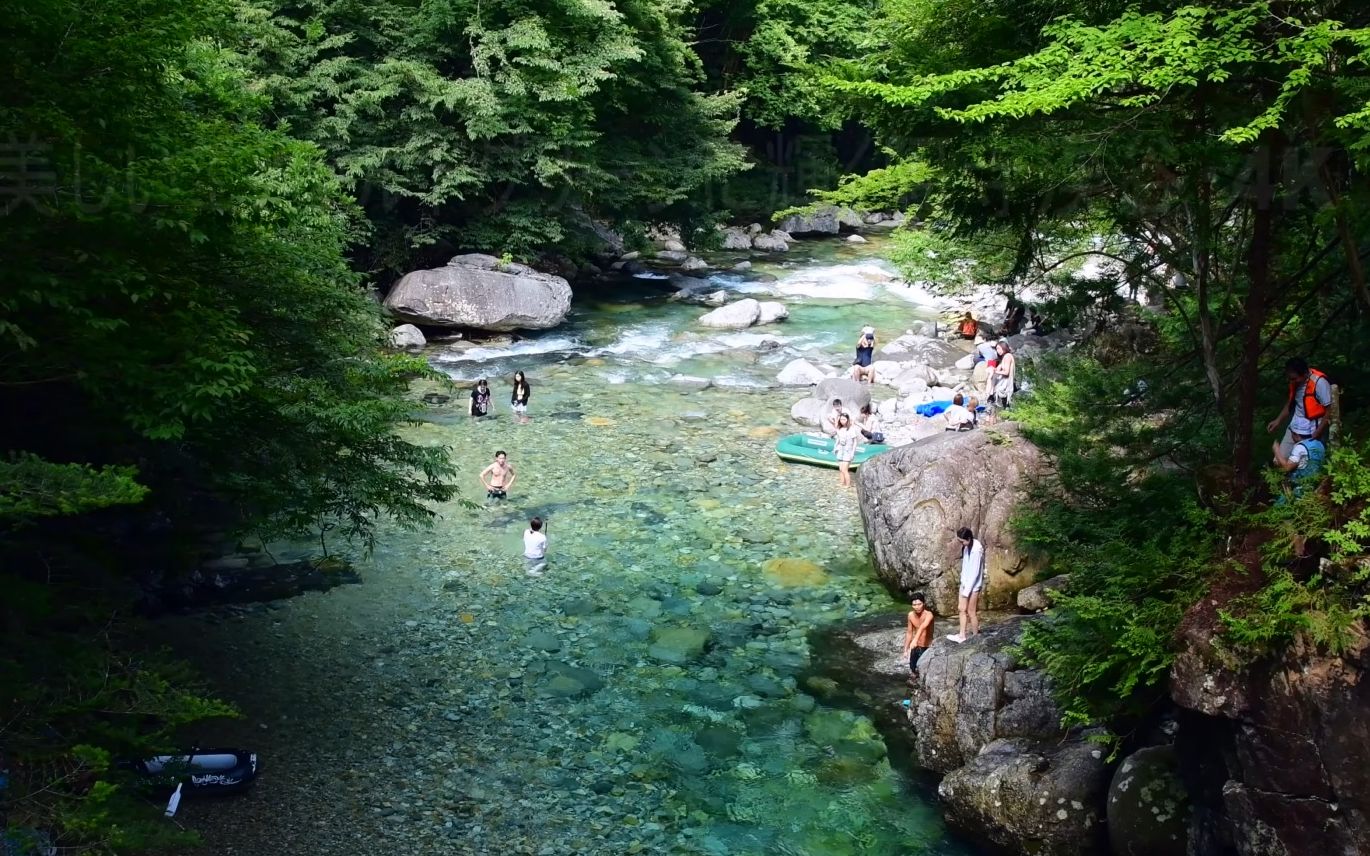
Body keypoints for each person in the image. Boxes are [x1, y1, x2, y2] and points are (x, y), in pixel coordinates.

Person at [1266, 357, 1331, 458]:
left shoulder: (1319, 383)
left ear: (1304, 373)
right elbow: (1291, 403)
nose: (1292, 381)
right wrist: (1278, 421)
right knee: (1280, 460)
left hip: (1312, 431)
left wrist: (1318, 432)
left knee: (1306, 463)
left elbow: (1328, 410)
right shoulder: (1294, 383)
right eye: (1290, 378)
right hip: (1294, 427)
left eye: (1294, 378)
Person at [947, 527, 984, 643]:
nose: (961, 544)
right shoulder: (967, 546)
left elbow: (975, 572)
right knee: (961, 609)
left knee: (970, 611)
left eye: (962, 541)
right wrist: (963, 583)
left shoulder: (977, 549)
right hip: (965, 583)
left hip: (973, 586)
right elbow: (966, 567)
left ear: (968, 538)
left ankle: (975, 636)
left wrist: (966, 592)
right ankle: (962, 635)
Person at [1272, 430, 1326, 501]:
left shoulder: (1300, 447)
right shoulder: (1319, 444)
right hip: (1315, 485)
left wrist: (1276, 451)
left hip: (1300, 488)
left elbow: (1287, 467)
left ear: (1296, 435)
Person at [902, 592, 934, 687]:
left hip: (926, 647)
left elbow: (923, 627)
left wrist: (915, 640)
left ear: (924, 603)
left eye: (919, 604)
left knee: (923, 672)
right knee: (913, 671)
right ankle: (910, 695)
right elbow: (909, 632)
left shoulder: (929, 615)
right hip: (915, 647)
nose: (917, 607)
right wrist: (905, 649)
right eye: (914, 605)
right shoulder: (911, 615)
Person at [833, 412, 862, 488]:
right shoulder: (840, 428)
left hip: (848, 451)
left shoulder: (851, 429)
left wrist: (853, 452)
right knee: (840, 469)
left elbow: (855, 441)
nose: (842, 421)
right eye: (841, 419)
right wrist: (835, 447)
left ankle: (848, 484)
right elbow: (838, 439)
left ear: (847, 420)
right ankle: (842, 483)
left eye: (844, 419)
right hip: (840, 450)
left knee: (844, 469)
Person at [991, 341, 1016, 408]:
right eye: (996, 349)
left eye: (998, 348)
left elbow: (1006, 372)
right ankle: (991, 396)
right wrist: (994, 369)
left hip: (1007, 382)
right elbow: (999, 368)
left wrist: (995, 371)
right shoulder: (1004, 356)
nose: (997, 350)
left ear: (1004, 347)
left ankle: (991, 397)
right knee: (992, 377)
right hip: (1005, 381)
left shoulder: (1007, 356)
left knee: (993, 379)